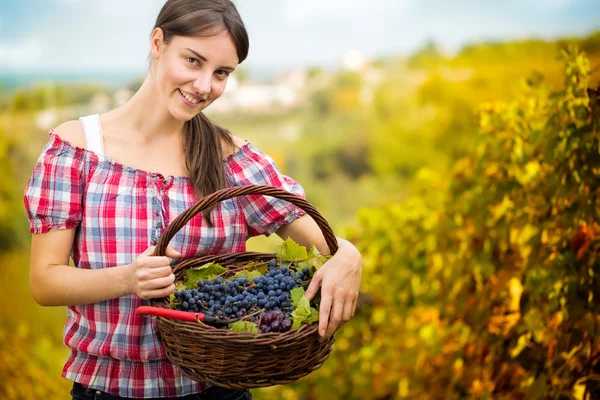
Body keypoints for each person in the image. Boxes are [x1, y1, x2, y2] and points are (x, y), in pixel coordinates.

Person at [23, 0, 363, 398]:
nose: (204, 85)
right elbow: (44, 282)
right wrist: (128, 279)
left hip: (218, 390)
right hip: (109, 390)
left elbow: (326, 244)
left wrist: (350, 255)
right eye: (193, 61)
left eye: (221, 73)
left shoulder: (233, 162)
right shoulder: (78, 151)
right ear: (157, 43)